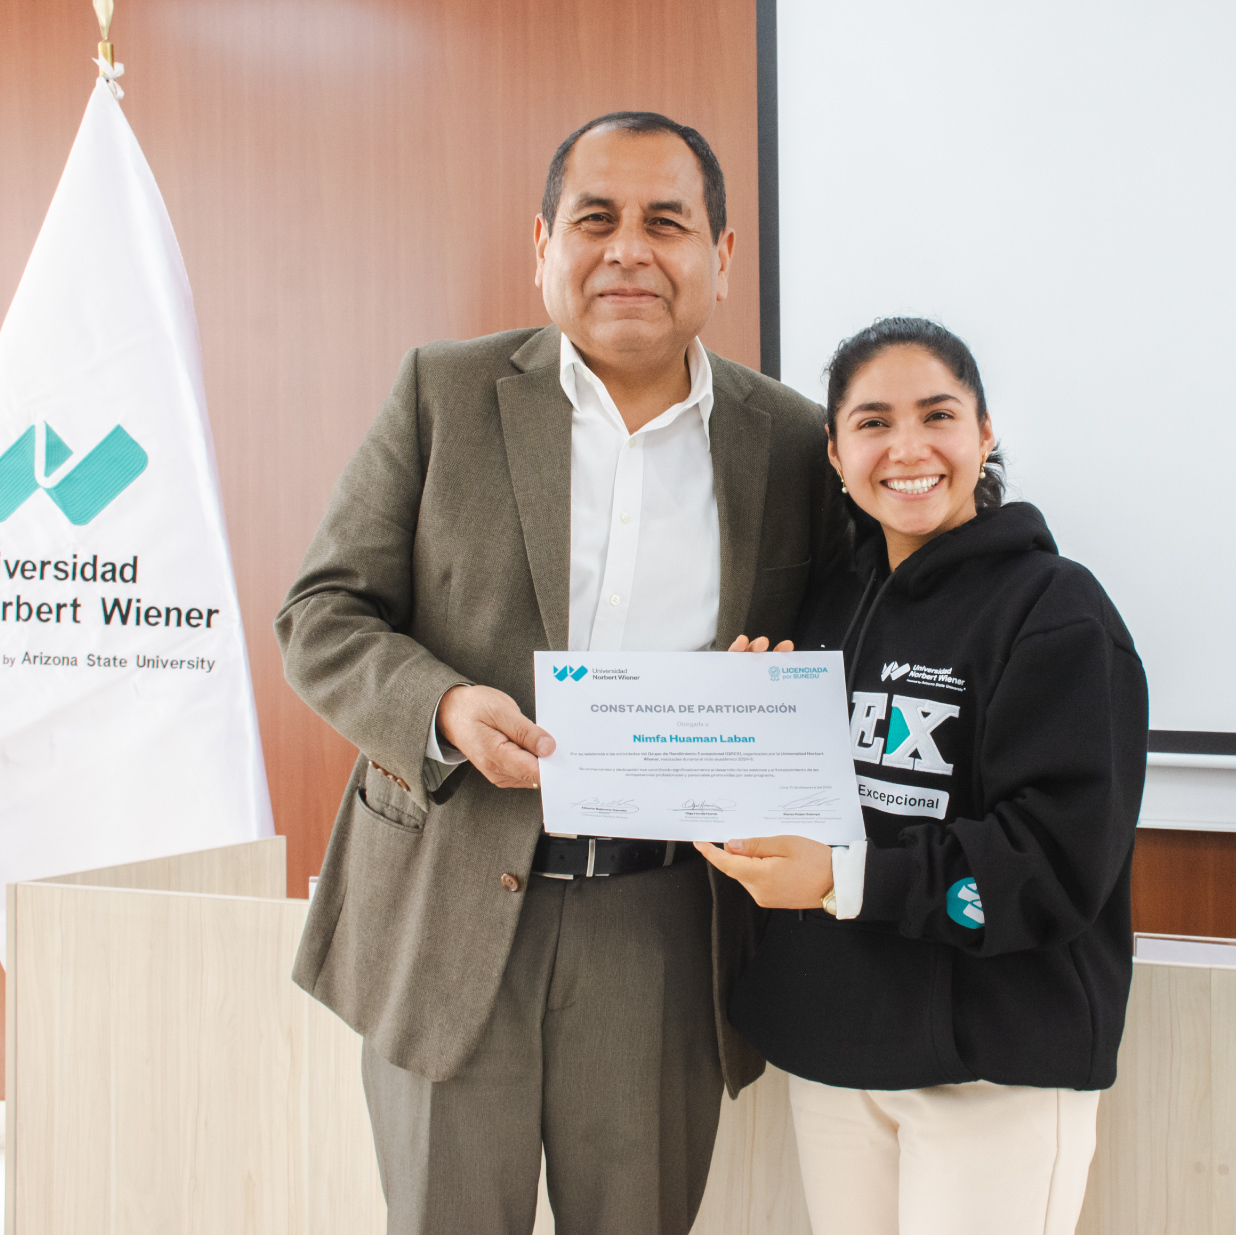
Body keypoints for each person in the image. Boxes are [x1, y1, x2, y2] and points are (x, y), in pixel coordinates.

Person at [278, 111, 835, 1235]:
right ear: (542, 245)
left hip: (665, 924)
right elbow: (320, 613)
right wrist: (439, 705)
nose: (628, 248)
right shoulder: (444, 392)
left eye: (665, 222)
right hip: (451, 908)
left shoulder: (789, 440)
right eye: (595, 219)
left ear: (721, 258)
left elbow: (830, 652)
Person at [698, 317, 1148, 1235]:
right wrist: (748, 727)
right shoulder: (826, 605)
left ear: (984, 434)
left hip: (993, 1070)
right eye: (872, 423)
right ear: (834, 452)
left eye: (938, 414)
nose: (908, 448)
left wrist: (845, 877)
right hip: (841, 1049)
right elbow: (810, 812)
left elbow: (1053, 864)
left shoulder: (1060, 614)